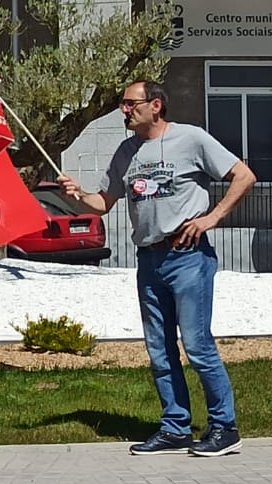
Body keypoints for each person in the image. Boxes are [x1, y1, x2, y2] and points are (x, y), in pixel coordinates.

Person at [59, 80, 256, 457]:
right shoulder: (126, 151)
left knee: (197, 346)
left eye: (130, 104)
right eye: (122, 104)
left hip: (188, 257)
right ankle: (175, 428)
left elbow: (243, 176)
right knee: (160, 351)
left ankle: (225, 428)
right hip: (148, 260)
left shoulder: (191, 139)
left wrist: (212, 218)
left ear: (156, 105)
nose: (124, 111)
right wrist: (78, 194)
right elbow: (103, 202)